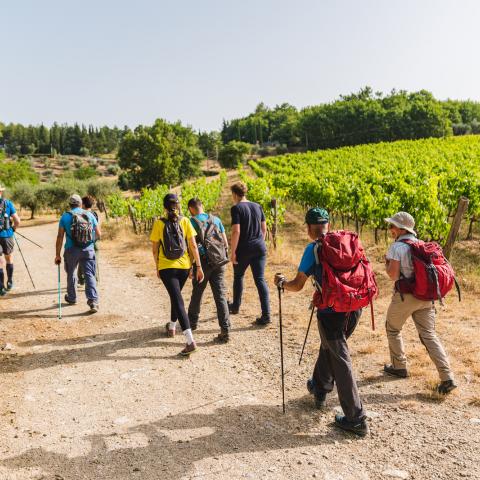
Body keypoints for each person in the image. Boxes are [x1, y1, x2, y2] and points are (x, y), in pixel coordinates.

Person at [274, 207, 369, 437]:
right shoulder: (347, 241)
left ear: (308, 227)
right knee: (332, 348)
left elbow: (297, 285)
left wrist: (282, 283)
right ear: (327, 223)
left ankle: (356, 418)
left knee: (340, 357)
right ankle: (320, 387)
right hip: (355, 307)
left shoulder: (313, 248)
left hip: (331, 312)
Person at [383, 211, 457, 394]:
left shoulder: (397, 247)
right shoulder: (421, 244)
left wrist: (387, 265)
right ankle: (447, 377)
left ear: (401, 229)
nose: (390, 229)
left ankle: (399, 366)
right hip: (426, 296)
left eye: (392, 226)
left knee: (392, 328)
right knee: (429, 334)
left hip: (406, 296)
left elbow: (393, 275)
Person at [150, 193, 204, 356]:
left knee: (177, 300)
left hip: (167, 268)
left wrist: (158, 266)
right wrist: (198, 266)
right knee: (176, 297)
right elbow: (193, 246)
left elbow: (154, 248)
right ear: (178, 206)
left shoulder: (159, 223)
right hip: (184, 267)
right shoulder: (186, 221)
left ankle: (190, 341)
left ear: (165, 207)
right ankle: (172, 326)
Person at [186, 197, 230, 343]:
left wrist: (192, 266)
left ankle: (191, 324)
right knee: (220, 296)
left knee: (197, 293)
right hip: (219, 261)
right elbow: (225, 242)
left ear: (191, 209)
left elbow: (192, 246)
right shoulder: (216, 219)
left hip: (203, 263)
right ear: (202, 205)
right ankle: (225, 329)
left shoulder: (191, 222)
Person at [228, 181, 270, 326]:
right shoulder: (257, 206)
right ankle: (266, 315)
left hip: (244, 249)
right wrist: (259, 241)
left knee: (238, 276)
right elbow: (264, 228)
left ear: (235, 194)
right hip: (259, 247)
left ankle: (235, 307)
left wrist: (232, 252)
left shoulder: (236, 208)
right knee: (260, 279)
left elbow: (236, 231)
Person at [55, 194, 101, 313]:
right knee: (89, 274)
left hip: (71, 250)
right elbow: (98, 234)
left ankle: (72, 298)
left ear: (70, 205)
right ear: (80, 204)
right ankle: (93, 301)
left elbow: (60, 237)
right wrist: (90, 242)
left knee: (71, 273)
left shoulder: (65, 217)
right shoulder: (89, 214)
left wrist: (57, 254)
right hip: (88, 249)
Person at [0, 184, 21, 296]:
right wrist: (13, 229)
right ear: (1, 192)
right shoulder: (8, 203)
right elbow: (17, 221)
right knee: (9, 258)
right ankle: (9, 281)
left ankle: (1, 288)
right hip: (7, 235)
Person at [78, 196, 100, 285]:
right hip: (94, 241)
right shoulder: (95, 214)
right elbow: (98, 229)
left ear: (83, 204)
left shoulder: (80, 215)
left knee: (82, 259)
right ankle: (96, 280)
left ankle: (81, 279)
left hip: (84, 241)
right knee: (95, 261)